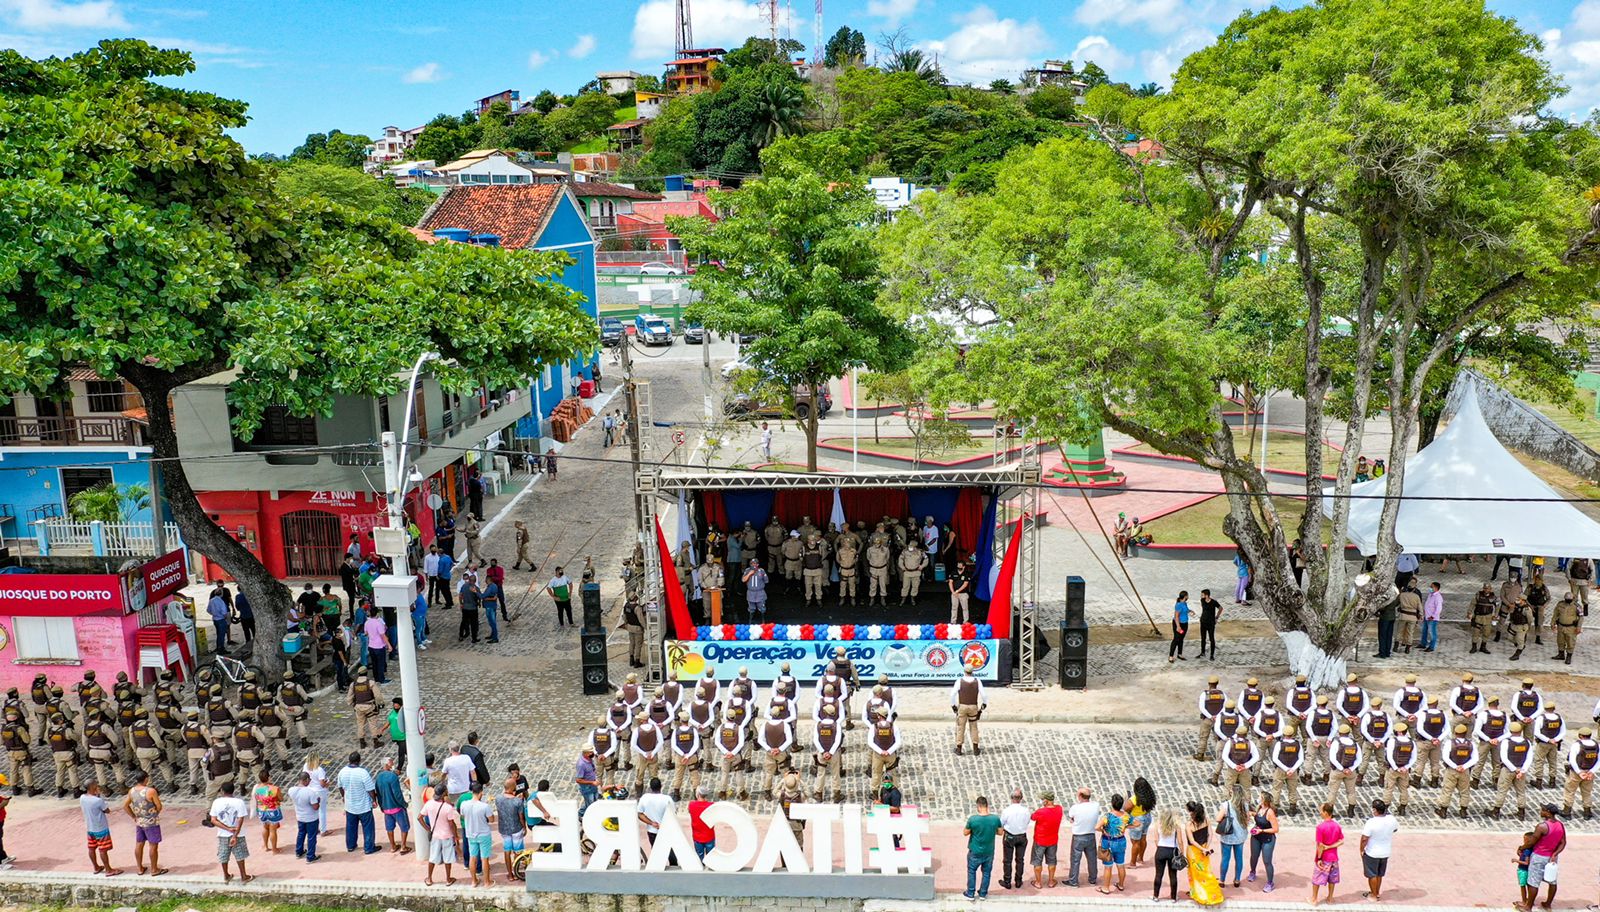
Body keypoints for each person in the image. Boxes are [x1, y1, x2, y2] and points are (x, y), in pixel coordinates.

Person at [1519, 804, 1566, 911]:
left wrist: (1521, 848)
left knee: (1533, 882)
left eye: (1542, 810)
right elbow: (1563, 843)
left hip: (1539, 856)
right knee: (1552, 881)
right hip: (1552, 858)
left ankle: (1528, 906)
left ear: (1548, 812)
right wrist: (1555, 854)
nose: (1540, 811)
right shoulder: (1560, 825)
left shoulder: (1542, 826)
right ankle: (1548, 904)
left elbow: (1532, 842)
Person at [122, 770, 167, 876]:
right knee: (153, 845)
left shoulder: (131, 791)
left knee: (139, 844)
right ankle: (154, 869)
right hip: (151, 822)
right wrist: (154, 813)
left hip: (139, 821)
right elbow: (159, 806)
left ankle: (140, 868)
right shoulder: (151, 791)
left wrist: (134, 816)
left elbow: (125, 806)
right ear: (146, 779)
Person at [209, 781, 252, 883]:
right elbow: (240, 819)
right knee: (240, 855)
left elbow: (213, 820)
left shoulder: (216, 802)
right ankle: (243, 876)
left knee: (223, 855)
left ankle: (226, 875)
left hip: (223, 834)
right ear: (233, 790)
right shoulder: (239, 802)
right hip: (238, 834)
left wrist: (227, 829)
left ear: (222, 791)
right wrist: (235, 834)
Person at [337, 751, 380, 854]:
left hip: (350, 806)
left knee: (351, 826)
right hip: (363, 805)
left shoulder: (342, 772)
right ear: (359, 761)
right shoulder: (363, 773)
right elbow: (370, 789)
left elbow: (340, 787)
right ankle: (369, 847)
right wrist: (374, 800)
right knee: (368, 827)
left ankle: (351, 845)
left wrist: (344, 797)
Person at [421, 782, 460, 886]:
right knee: (448, 858)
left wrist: (428, 828)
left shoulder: (429, 804)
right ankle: (448, 879)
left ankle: (429, 878)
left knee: (432, 858)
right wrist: (455, 836)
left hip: (435, 835)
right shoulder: (448, 808)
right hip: (447, 836)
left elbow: (419, 817)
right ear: (444, 794)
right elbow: (452, 824)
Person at [1360, 798, 1398, 901]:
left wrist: (1361, 849)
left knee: (1372, 874)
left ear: (1375, 810)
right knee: (1379, 874)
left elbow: (1364, 838)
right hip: (1385, 851)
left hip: (1372, 852)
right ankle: (1376, 892)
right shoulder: (1391, 819)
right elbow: (1395, 829)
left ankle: (1373, 894)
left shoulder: (1371, 822)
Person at [964, 795, 1001, 899]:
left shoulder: (973, 819)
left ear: (978, 806)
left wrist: (974, 830)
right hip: (989, 851)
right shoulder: (995, 819)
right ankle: (983, 893)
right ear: (987, 805)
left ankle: (970, 893)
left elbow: (965, 833)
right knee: (986, 873)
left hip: (975, 851)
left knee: (972, 871)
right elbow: (1000, 832)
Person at [1185, 800, 1222, 905]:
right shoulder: (1206, 820)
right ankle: (1210, 891)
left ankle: (1196, 892)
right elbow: (1210, 834)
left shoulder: (1189, 824)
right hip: (1204, 848)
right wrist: (1206, 848)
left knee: (1194, 873)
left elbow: (1192, 841)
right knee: (1206, 871)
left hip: (1193, 851)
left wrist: (1202, 849)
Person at [460, 782, 495, 885]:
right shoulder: (484, 806)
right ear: (481, 793)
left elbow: (462, 816)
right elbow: (492, 820)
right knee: (484, 859)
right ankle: (487, 882)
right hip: (483, 834)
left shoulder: (464, 804)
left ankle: (474, 880)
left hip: (470, 833)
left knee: (473, 857)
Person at [1065, 786, 1100, 887]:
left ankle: (1073, 881)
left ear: (1080, 796)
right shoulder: (1095, 805)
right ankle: (1093, 879)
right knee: (1092, 859)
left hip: (1078, 836)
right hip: (1090, 835)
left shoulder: (1075, 808)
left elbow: (1071, 817)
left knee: (1075, 860)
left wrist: (1074, 820)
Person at [376, 756, 411, 854]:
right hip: (397, 807)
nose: (393, 764)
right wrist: (404, 804)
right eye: (391, 762)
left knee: (389, 827)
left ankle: (393, 846)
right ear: (387, 764)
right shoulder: (393, 776)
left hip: (386, 808)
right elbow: (397, 794)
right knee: (404, 827)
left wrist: (381, 806)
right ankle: (403, 846)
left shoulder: (379, 777)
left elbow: (378, 792)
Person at [1151, 806, 1187, 902]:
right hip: (1172, 851)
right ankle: (1173, 897)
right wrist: (1182, 852)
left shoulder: (1158, 825)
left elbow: (1156, 839)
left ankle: (1155, 896)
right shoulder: (1176, 826)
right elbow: (1180, 841)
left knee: (1158, 874)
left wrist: (1159, 848)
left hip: (1161, 850)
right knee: (1173, 875)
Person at [1310, 803, 1343, 906]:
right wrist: (1331, 846)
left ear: (1325, 812)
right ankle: (1330, 898)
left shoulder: (1320, 827)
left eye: (1321, 810)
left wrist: (1319, 858)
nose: (1320, 812)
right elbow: (1341, 841)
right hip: (1334, 858)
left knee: (1317, 878)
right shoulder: (1337, 826)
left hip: (1324, 857)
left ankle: (1314, 899)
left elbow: (1320, 845)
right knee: (1332, 879)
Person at [950, 660, 986, 755]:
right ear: (972, 671)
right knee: (973, 727)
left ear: (964, 671)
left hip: (962, 706)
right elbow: (984, 694)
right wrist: (983, 705)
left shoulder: (959, 681)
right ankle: (975, 748)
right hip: (973, 706)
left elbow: (952, 694)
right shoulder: (977, 681)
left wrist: (953, 706)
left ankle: (959, 748)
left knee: (960, 727)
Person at [637, 777, 676, 863]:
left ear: (650, 787)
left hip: (652, 831)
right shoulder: (667, 799)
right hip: (665, 830)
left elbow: (639, 814)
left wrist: (651, 823)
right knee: (670, 852)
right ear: (661, 786)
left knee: (656, 853)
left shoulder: (645, 797)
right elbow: (673, 814)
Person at [1030, 789, 1063, 888]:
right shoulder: (1059, 809)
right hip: (1053, 840)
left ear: (1046, 801)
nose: (1041, 801)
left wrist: (1041, 808)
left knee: (1037, 861)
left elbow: (1032, 817)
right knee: (1052, 861)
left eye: (1042, 799)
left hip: (1040, 840)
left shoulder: (1041, 811)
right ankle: (1051, 881)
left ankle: (1038, 882)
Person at [999, 789, 1031, 889]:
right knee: (1020, 860)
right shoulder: (1026, 811)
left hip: (1009, 836)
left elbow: (1001, 824)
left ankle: (1007, 881)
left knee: (1007, 860)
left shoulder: (1007, 810)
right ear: (1021, 798)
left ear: (1011, 798)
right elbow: (1027, 822)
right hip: (1021, 836)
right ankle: (1018, 881)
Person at [1097, 793, 1129, 894]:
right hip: (1121, 841)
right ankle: (1121, 885)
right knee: (1120, 865)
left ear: (1112, 804)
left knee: (1108, 866)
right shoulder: (1126, 816)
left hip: (1108, 842)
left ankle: (1106, 888)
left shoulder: (1108, 816)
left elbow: (1096, 827)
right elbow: (1137, 823)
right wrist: (1125, 827)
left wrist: (1103, 831)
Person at [1216, 786, 1248, 888]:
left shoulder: (1226, 805)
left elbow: (1218, 818)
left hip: (1228, 836)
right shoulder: (1245, 805)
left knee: (1225, 858)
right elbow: (1247, 820)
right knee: (1239, 859)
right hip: (1240, 836)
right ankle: (1237, 879)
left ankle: (1222, 880)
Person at [495, 776, 526, 875]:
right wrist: (524, 827)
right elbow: (521, 817)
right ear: (513, 787)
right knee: (517, 851)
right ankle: (516, 871)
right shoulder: (517, 801)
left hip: (504, 829)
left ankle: (510, 873)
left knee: (507, 851)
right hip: (516, 828)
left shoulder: (498, 798)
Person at [1249, 791, 1279, 892]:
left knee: (1267, 861)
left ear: (1264, 800)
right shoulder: (1259, 809)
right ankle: (1252, 872)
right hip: (1256, 837)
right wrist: (1252, 814)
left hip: (1267, 839)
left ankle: (1270, 882)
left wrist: (1261, 830)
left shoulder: (1270, 812)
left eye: (1260, 797)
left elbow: (1275, 829)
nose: (1258, 798)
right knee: (1254, 856)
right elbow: (1257, 816)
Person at [288, 771, 321, 862]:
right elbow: (315, 807)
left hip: (300, 816)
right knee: (311, 837)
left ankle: (299, 851)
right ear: (306, 780)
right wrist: (318, 801)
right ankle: (310, 856)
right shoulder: (310, 792)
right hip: (311, 818)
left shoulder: (291, 790)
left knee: (301, 834)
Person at [252, 768, 283, 854]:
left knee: (265, 828)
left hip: (262, 811)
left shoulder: (257, 788)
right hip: (272, 811)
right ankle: (274, 849)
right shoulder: (274, 788)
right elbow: (281, 799)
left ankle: (265, 846)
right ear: (268, 778)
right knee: (273, 830)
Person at [1127, 778, 1155, 869]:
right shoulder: (1150, 796)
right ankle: (1140, 858)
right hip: (1147, 817)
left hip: (1137, 820)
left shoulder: (1134, 799)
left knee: (1135, 842)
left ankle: (1132, 863)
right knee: (1143, 839)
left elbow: (1125, 809)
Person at [689, 785, 715, 861]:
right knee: (711, 859)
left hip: (697, 836)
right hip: (709, 836)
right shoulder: (711, 806)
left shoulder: (691, 805)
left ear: (698, 795)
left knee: (699, 859)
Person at [1197, 589, 1222, 660]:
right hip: (1203, 622)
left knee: (1211, 639)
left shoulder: (1214, 602)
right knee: (1203, 638)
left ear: (1207, 595)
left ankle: (1212, 655)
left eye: (1202, 595)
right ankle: (1202, 652)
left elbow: (1220, 608)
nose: (1201, 596)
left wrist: (1216, 617)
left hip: (1211, 623)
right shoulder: (1202, 600)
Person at [1422, 581, 1444, 652]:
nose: (1430, 588)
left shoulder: (1438, 597)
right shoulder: (1430, 595)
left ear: (1436, 588)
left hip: (1432, 618)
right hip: (1427, 616)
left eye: (1432, 587)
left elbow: (1438, 608)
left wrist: (1433, 616)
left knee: (1432, 632)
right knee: (1424, 631)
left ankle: (1431, 647)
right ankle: (1423, 643)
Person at [1169, 591, 1189, 662]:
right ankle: (1171, 656)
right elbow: (1176, 616)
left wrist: (1190, 611)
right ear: (1185, 596)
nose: (1188, 596)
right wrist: (1178, 626)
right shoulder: (1179, 605)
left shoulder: (1184, 603)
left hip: (1185, 624)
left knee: (1181, 639)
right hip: (1178, 624)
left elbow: (1185, 610)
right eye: (1187, 595)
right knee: (1176, 639)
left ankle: (1179, 654)